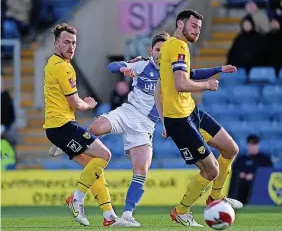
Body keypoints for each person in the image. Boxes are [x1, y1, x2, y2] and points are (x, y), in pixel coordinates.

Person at [50, 29, 240, 226]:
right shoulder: (142, 64)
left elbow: (195, 73)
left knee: (141, 171)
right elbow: (112, 66)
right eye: (157, 49)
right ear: (151, 50)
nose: (160, 53)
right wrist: (124, 69)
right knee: (96, 127)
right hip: (128, 112)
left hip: (146, 125)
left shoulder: (172, 70)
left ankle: (127, 215)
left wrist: (218, 68)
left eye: (164, 50)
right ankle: (65, 142)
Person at [155, 10, 243, 227]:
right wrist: (208, 85)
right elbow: (181, 84)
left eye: (199, 28)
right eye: (193, 26)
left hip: (192, 112)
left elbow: (189, 74)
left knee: (231, 149)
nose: (197, 31)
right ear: (180, 24)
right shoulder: (177, 46)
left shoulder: (177, 46)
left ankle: (215, 198)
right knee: (211, 170)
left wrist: (217, 70)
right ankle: (181, 211)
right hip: (179, 119)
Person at [43, 23, 129, 227]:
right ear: (56, 43)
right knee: (105, 155)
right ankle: (77, 198)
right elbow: (76, 103)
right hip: (62, 127)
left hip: (58, 128)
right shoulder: (62, 67)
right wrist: (88, 103)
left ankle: (109, 217)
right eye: (66, 42)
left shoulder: (54, 64)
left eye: (73, 43)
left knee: (94, 167)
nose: (71, 46)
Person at [232, 135, 273, 204]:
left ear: (258, 145)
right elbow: (234, 170)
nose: (253, 147)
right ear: (247, 145)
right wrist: (240, 174)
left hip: (259, 186)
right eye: (251, 144)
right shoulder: (241, 158)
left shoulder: (265, 159)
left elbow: (269, 172)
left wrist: (255, 176)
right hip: (242, 186)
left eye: (254, 144)